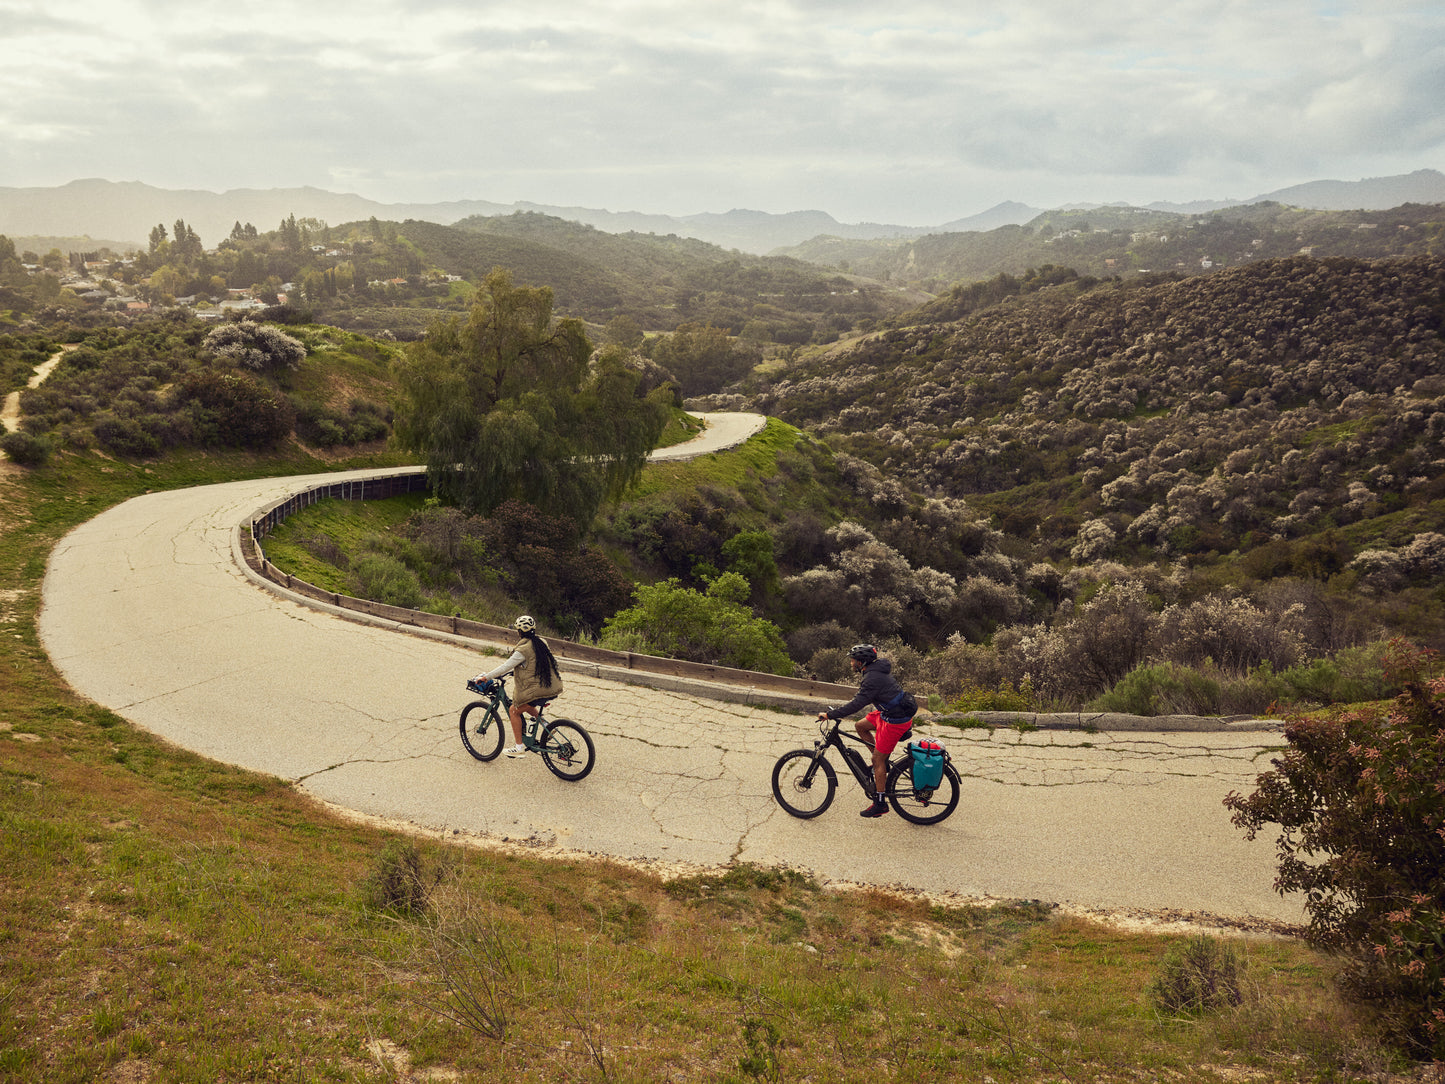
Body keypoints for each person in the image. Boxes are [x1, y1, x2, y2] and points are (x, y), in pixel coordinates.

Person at [817, 643, 916, 818]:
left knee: (876, 759)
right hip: (888, 713)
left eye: (853, 660)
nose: (851, 663)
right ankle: (883, 763)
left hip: (895, 720)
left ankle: (880, 803)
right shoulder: (875, 671)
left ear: (862, 661)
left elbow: (856, 704)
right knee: (860, 726)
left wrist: (830, 715)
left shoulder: (872, 678)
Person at [473, 615, 565, 758]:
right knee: (527, 705)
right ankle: (546, 726)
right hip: (552, 686)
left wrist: (485, 677)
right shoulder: (542, 642)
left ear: (519, 632)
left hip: (538, 690)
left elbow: (505, 666)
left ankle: (519, 747)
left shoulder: (522, 650)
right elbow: (533, 663)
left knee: (514, 710)